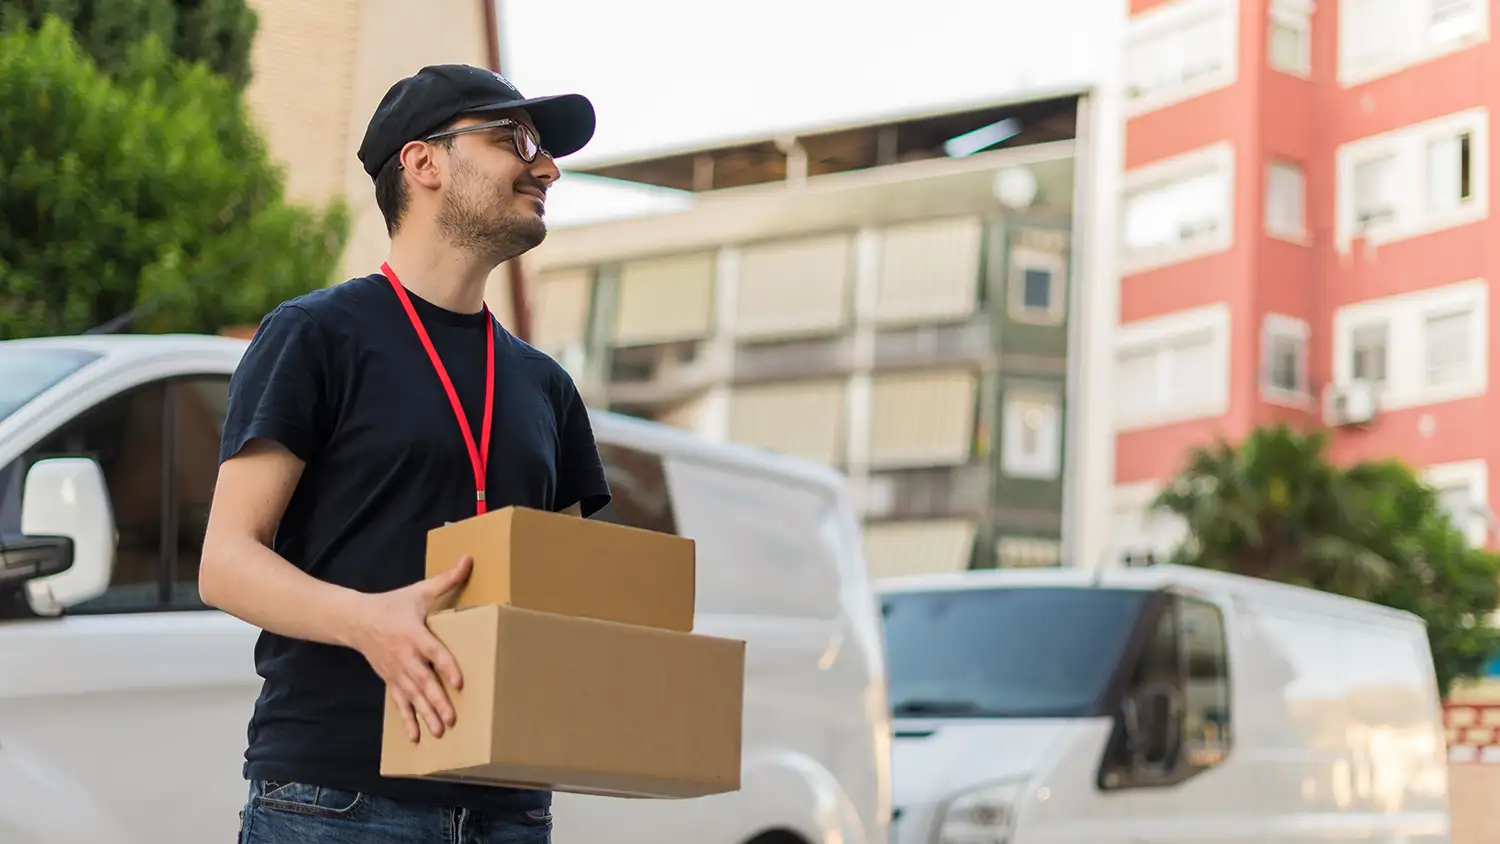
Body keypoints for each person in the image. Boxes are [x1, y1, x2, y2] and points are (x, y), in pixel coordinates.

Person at [199, 64, 612, 844]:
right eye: (516, 139)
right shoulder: (315, 336)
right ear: (424, 163)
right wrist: (368, 623)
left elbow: (565, 596)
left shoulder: (545, 386)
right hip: (338, 800)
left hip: (509, 804)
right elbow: (225, 562)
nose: (547, 166)